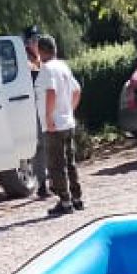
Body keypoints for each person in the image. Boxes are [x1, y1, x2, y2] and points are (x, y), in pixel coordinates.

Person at [34, 35, 83, 215]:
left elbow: (51, 92)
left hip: (54, 125)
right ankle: (77, 197)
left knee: (56, 164)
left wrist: (48, 117)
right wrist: (69, 110)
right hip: (67, 122)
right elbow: (77, 90)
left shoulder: (47, 69)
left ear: (40, 51)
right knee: (70, 162)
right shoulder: (63, 66)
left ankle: (65, 201)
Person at [23, 27, 49, 199]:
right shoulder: (25, 61)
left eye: (38, 38)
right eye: (33, 39)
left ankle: (52, 180)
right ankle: (42, 184)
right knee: (39, 146)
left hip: (46, 105)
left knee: (49, 145)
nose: (36, 42)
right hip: (33, 108)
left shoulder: (43, 58)